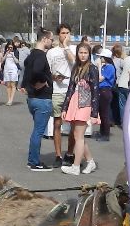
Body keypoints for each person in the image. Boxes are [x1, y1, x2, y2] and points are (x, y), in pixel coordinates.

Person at [60, 41, 101, 175]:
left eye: (85, 53)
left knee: (79, 136)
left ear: (89, 54)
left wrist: (94, 113)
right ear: (77, 54)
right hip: (74, 102)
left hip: (86, 104)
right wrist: (64, 108)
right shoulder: (76, 68)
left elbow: (95, 91)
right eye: (81, 52)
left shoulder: (92, 68)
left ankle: (76, 166)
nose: (83, 55)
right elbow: (70, 89)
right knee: (77, 135)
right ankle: (90, 161)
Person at [23, 30, 55, 171]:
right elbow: (36, 71)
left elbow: (27, 69)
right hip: (42, 99)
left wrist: (27, 84)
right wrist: (43, 81)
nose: (52, 42)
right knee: (38, 132)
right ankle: (34, 161)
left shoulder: (31, 55)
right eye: (51, 39)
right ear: (44, 39)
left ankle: (32, 159)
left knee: (36, 130)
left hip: (32, 98)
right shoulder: (41, 56)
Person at [47, 25, 76, 163]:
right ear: (58, 34)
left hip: (71, 91)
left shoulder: (74, 49)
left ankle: (70, 153)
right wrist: (54, 77)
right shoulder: (52, 52)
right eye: (63, 33)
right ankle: (58, 154)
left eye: (67, 33)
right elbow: (47, 72)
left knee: (73, 125)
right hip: (57, 90)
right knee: (57, 123)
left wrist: (66, 47)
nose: (65, 35)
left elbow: (76, 63)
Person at [96, 47, 115, 141]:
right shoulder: (105, 66)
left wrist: (99, 67)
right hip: (100, 90)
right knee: (101, 113)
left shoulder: (110, 67)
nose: (100, 59)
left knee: (105, 113)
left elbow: (100, 79)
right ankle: (102, 132)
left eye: (101, 57)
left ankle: (105, 134)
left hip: (105, 90)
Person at [2, 40, 21, 106]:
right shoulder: (6, 52)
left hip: (13, 69)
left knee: (13, 85)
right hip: (6, 69)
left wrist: (13, 56)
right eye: (9, 47)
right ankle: (9, 99)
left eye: (11, 47)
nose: (10, 49)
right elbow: (2, 60)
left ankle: (11, 100)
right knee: (8, 85)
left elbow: (17, 61)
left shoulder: (16, 52)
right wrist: (6, 54)